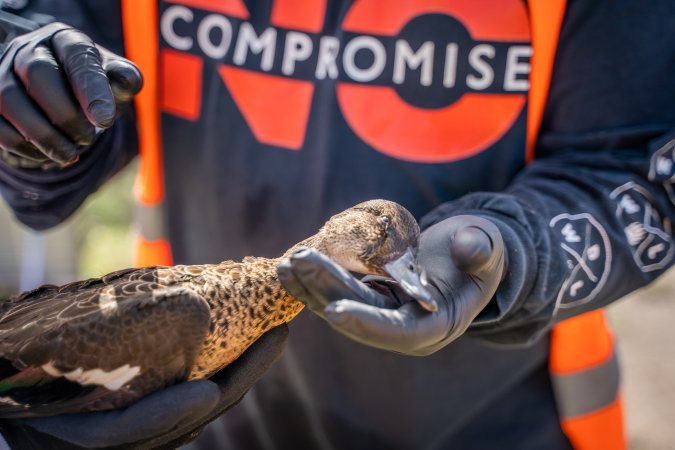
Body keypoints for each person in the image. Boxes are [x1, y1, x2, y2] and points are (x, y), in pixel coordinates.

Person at [0, 0, 673, 448]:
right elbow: (55, 135)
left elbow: (628, 164)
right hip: (189, 418)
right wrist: (29, 98)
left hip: (501, 427)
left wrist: (511, 253)